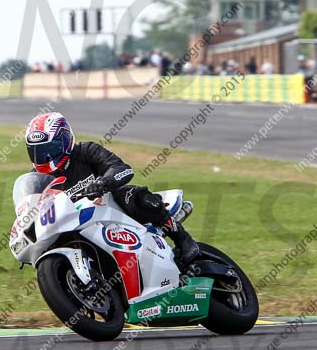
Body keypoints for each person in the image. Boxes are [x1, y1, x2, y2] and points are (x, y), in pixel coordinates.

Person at [24, 112, 200, 265]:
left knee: (136, 197)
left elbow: (122, 169)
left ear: (65, 140)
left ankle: (182, 238)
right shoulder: (38, 179)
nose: (45, 157)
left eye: (50, 149)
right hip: (75, 224)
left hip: (109, 207)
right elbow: (34, 209)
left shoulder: (86, 151)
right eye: (38, 152)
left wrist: (103, 183)